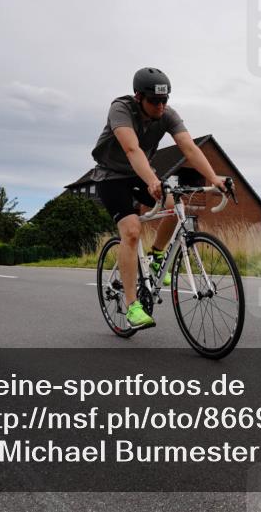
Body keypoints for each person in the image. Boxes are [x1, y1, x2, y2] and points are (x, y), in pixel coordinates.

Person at [91, 67, 227, 329]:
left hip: (141, 174)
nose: (161, 106)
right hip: (111, 176)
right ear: (138, 97)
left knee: (175, 205)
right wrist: (153, 180)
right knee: (131, 230)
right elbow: (131, 149)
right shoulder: (120, 109)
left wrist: (214, 178)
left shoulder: (167, 114)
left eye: (165, 100)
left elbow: (189, 147)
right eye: (155, 101)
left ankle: (154, 257)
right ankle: (132, 307)